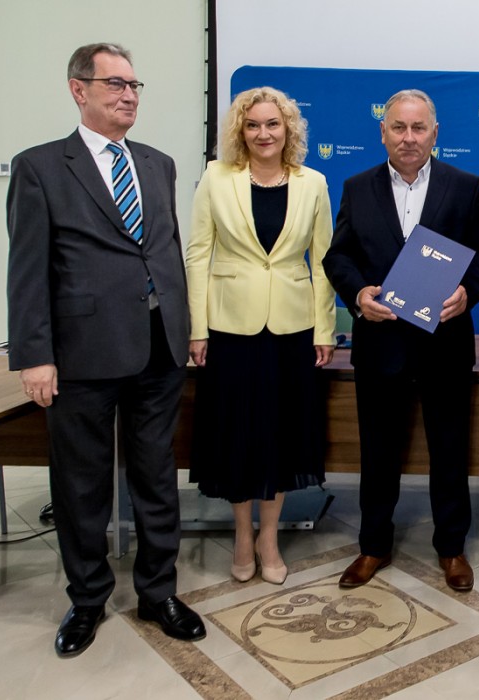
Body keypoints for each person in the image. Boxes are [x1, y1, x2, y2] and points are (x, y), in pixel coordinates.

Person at [5, 42, 205, 657]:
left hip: (158, 348)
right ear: (79, 89)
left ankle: (158, 593)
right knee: (82, 485)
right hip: (82, 353)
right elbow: (28, 268)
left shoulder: (158, 163)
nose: (128, 95)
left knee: (157, 478)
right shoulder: (41, 166)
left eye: (134, 85)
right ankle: (88, 599)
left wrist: (186, 326)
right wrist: (34, 354)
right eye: (115, 83)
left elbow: (163, 251)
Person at [323, 89, 479, 592]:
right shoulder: (357, 187)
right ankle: (373, 546)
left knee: (450, 449)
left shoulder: (464, 186)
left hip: (445, 342)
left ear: (434, 133)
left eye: (418, 128)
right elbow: (338, 256)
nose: (408, 137)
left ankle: (452, 548)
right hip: (381, 342)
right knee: (378, 450)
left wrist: (467, 293)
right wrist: (358, 294)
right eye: (398, 127)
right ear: (382, 132)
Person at [185, 86, 336, 586]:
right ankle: (242, 533)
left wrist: (324, 328)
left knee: (280, 435)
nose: (263, 133)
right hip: (229, 328)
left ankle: (269, 537)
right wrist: (197, 328)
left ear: (288, 129)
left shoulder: (313, 183)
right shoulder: (216, 177)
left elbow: (324, 261)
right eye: (253, 125)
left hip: (292, 330)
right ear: (240, 131)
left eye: (273, 124)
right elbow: (198, 255)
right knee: (236, 433)